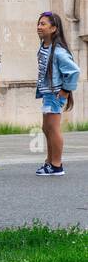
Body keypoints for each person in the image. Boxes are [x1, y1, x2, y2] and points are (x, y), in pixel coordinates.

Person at [34, 12, 79, 176]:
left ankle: (56, 165)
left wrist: (66, 90)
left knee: (53, 128)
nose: (39, 27)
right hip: (47, 93)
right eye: (39, 23)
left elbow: (74, 71)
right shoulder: (44, 47)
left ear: (53, 28)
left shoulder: (58, 51)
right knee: (46, 128)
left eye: (43, 24)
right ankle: (50, 161)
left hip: (55, 94)